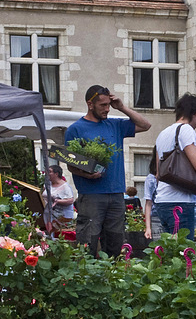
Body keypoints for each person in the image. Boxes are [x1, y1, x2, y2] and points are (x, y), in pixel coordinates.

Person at [64, 84, 151, 256]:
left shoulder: (115, 125)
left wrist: (122, 107)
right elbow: (70, 164)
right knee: (87, 242)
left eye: (109, 105)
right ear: (90, 104)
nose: (107, 109)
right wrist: (87, 174)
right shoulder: (76, 129)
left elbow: (145, 125)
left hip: (116, 194)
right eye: (103, 105)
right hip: (91, 196)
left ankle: (112, 276)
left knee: (115, 244)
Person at [154, 93, 196, 235]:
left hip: (161, 201)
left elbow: (158, 173)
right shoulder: (186, 129)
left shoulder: (163, 134)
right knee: (184, 252)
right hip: (179, 202)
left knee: (170, 251)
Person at [43, 163, 75, 233]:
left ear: (56, 174)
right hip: (48, 214)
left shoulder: (65, 187)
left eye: (50, 171)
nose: (47, 173)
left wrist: (58, 201)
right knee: (49, 232)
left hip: (61, 216)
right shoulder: (47, 185)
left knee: (56, 233)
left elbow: (70, 200)